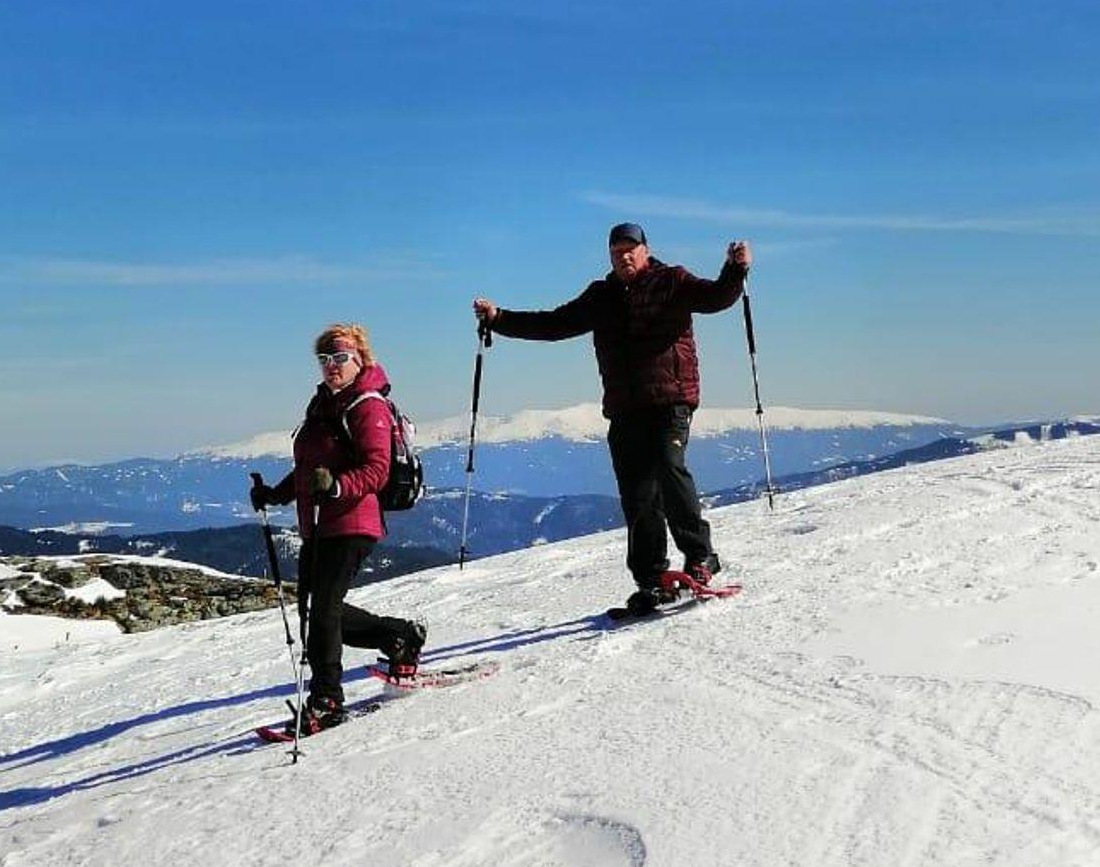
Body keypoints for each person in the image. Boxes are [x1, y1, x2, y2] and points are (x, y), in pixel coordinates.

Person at [473, 223, 751, 616]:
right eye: (617, 251)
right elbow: (553, 324)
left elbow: (717, 297)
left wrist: (735, 270)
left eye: (630, 249)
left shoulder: (672, 281)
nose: (624, 256)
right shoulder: (601, 296)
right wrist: (499, 318)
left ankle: (701, 557)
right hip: (625, 409)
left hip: (670, 401)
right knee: (637, 495)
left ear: (645, 250)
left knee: (669, 468)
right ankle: (651, 579)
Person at [247, 323, 426, 732]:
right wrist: (275, 495)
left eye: (340, 357)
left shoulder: (367, 405)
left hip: (353, 520)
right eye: (324, 358)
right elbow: (310, 470)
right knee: (317, 610)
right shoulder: (323, 405)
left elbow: (377, 470)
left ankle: (326, 699)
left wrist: (337, 486)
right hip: (319, 524)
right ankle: (398, 637)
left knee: (323, 610)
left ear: (360, 359)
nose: (332, 365)